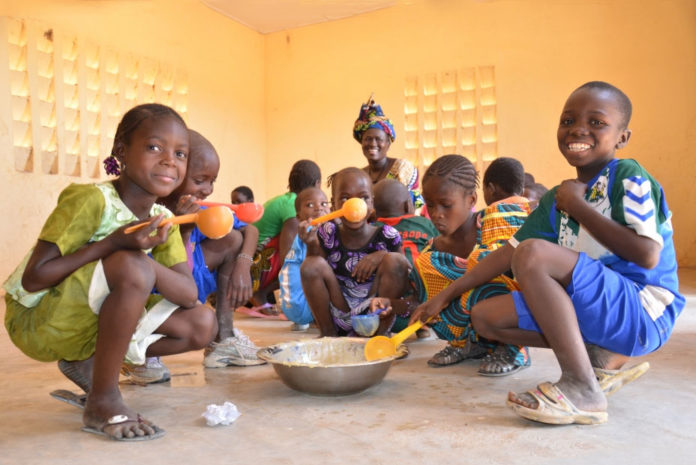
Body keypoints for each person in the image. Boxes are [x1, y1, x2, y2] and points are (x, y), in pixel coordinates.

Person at [412, 81, 684, 425]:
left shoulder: (628, 176)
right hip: (602, 305)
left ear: (622, 137)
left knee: (533, 254)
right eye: (568, 120)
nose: (578, 129)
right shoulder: (558, 198)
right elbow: (504, 257)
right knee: (485, 317)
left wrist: (579, 207)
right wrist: (445, 295)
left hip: (643, 309)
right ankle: (596, 361)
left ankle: (582, 388)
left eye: (596, 122)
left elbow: (646, 256)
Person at [3, 103, 217, 441]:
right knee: (132, 265)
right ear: (122, 152)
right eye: (153, 147)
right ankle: (102, 400)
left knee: (202, 322)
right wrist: (113, 244)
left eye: (180, 154)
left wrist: (148, 258)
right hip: (38, 319)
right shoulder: (91, 200)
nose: (169, 161)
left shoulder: (164, 219)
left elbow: (188, 294)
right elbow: (34, 278)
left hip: (87, 323)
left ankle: (90, 362)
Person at [372, 155, 530, 374]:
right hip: (474, 320)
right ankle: (470, 344)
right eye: (430, 205)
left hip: (516, 310)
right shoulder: (434, 249)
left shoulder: (494, 223)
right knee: (427, 266)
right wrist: (390, 303)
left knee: (481, 262)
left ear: (472, 200)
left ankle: (513, 348)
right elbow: (422, 302)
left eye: (446, 205)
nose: (436, 214)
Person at [160, 130, 264, 368]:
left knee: (233, 238)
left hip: (192, 284)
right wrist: (184, 228)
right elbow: (175, 267)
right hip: (163, 296)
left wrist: (243, 265)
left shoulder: (205, 210)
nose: (208, 190)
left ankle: (224, 339)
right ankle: (144, 355)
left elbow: (251, 230)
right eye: (199, 180)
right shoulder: (157, 215)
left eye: (212, 181)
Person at [299, 167, 410, 337]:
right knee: (310, 264)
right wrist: (311, 244)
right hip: (339, 310)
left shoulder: (388, 235)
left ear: (371, 203)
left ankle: (380, 336)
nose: (354, 205)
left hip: (375, 312)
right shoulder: (328, 232)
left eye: (363, 198)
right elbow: (313, 271)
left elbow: (404, 272)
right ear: (333, 204)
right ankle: (328, 335)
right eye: (345, 198)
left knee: (395, 260)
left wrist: (382, 255)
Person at [250, 160, 321, 310]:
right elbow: (287, 257)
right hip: (254, 269)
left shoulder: (284, 200)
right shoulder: (293, 207)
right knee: (299, 250)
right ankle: (259, 294)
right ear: (317, 184)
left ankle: (260, 294)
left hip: (250, 267)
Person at [372, 178, 439, 333]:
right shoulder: (424, 223)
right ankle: (421, 328)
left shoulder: (373, 229)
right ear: (408, 205)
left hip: (383, 309)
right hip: (424, 305)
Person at [353, 96, 423, 209]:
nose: (372, 143)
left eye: (378, 139)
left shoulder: (402, 168)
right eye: (367, 139)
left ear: (388, 144)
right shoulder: (360, 175)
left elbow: (411, 207)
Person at [277, 187, 330, 331]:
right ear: (299, 217)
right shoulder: (309, 232)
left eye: (324, 204)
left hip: (293, 306)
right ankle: (317, 318)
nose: (319, 208)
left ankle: (306, 319)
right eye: (310, 205)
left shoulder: (312, 231)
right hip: (301, 305)